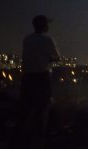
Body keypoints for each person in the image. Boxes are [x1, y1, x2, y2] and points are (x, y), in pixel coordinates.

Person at [20, 14, 61, 148]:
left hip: (27, 78)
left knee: (27, 110)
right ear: (44, 25)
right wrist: (48, 59)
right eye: (47, 24)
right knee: (42, 110)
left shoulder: (27, 39)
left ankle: (25, 140)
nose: (48, 26)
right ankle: (39, 142)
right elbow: (56, 57)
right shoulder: (47, 39)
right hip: (42, 78)